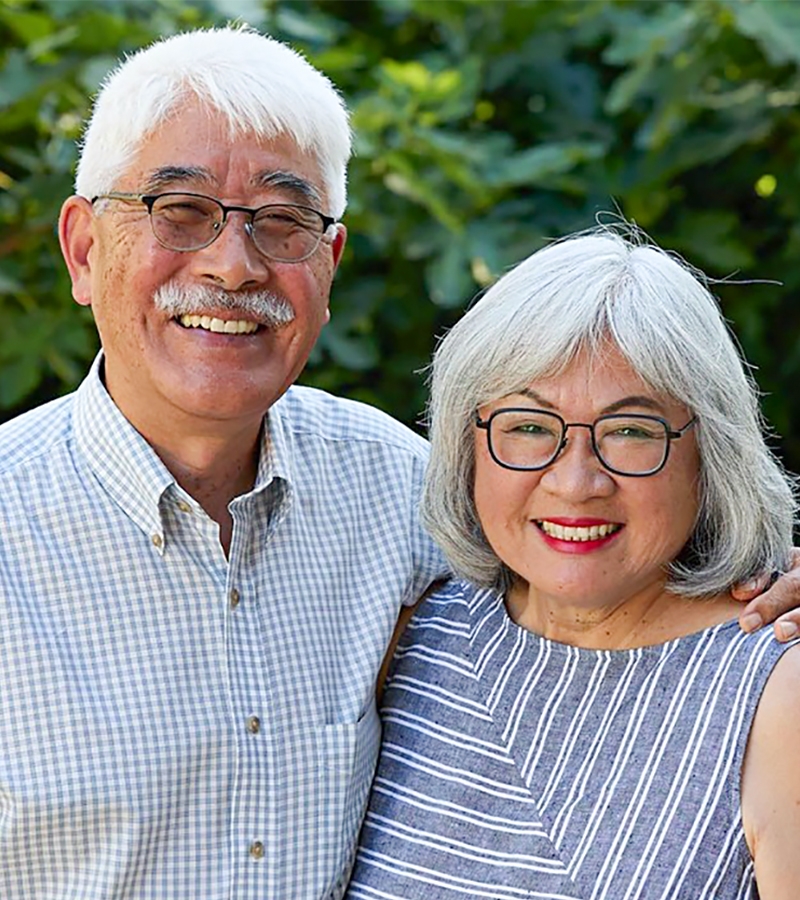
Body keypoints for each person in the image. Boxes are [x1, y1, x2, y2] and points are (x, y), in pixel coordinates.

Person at [0, 25, 796, 900]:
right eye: (178, 211)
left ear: (328, 264)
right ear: (82, 250)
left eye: (282, 221)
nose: (232, 264)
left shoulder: (400, 490)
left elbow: (592, 554)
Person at [346, 227, 800, 899]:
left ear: (709, 456)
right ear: (466, 445)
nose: (576, 481)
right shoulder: (413, 635)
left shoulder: (773, 687)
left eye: (631, 431)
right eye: (528, 427)